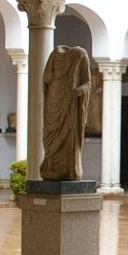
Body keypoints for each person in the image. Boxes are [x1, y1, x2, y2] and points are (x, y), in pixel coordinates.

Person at [40, 45, 91, 180]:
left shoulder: (80, 54)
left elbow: (87, 83)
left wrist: (79, 91)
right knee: (50, 135)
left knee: (69, 135)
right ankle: (50, 166)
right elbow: (46, 79)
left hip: (70, 105)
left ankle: (69, 169)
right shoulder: (55, 54)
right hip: (53, 102)